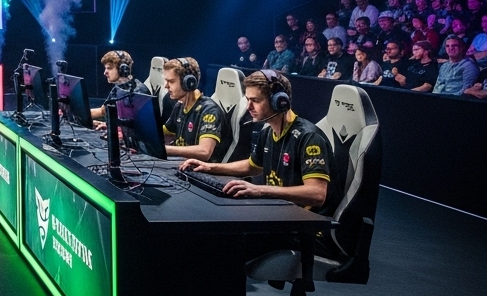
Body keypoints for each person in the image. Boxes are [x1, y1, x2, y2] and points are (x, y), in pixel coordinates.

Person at [179, 70, 333, 212]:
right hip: (279, 211)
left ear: (279, 101)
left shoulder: (309, 137)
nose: (248, 107)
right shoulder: (267, 132)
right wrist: (209, 167)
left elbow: (317, 194)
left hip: (304, 221)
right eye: (248, 100)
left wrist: (259, 190)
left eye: (256, 101)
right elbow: (251, 166)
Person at [158, 58, 230, 161]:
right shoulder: (179, 106)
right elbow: (165, 134)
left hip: (202, 169)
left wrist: (164, 149)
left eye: (171, 81)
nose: (166, 86)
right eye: (166, 81)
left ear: (188, 82)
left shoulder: (209, 110)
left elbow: (204, 151)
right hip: (180, 164)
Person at [90, 50, 147, 124]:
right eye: (105, 68)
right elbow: (103, 111)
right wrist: (79, 113)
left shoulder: (138, 92)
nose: (105, 73)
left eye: (109, 68)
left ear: (123, 69)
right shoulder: (118, 88)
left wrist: (110, 126)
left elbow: (137, 124)